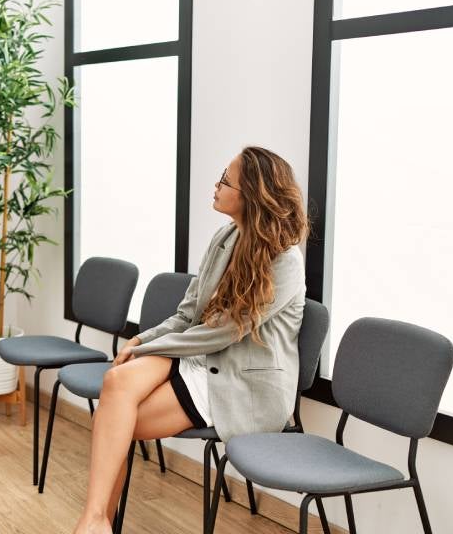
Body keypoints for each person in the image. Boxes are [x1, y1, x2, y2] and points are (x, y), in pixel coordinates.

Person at [73, 146, 309, 534]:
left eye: (225, 180)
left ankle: (95, 523)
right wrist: (140, 340)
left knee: (115, 420)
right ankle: (95, 521)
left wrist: (147, 349)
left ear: (250, 196)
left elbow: (222, 332)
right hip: (199, 355)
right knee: (117, 383)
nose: (216, 185)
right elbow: (188, 315)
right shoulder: (225, 238)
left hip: (238, 382)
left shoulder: (285, 262)